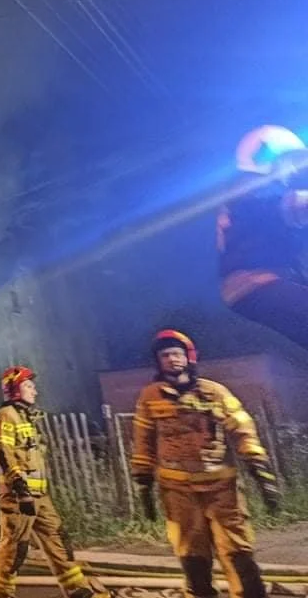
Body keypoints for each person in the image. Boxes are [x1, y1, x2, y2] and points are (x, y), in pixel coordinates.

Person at [131, 330, 280, 598]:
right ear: (158, 361)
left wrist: (258, 468)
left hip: (220, 486)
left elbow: (242, 428)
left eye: (176, 354)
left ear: (188, 357)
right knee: (190, 548)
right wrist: (143, 481)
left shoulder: (214, 392)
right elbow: (144, 440)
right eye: (165, 355)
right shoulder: (150, 397)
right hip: (177, 489)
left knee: (236, 546)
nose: (172, 359)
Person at [0, 366, 107, 598]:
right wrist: (20, 488)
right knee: (15, 548)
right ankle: (1, 595)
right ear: (15, 389)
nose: (35, 391)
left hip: (39, 496)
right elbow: (4, 452)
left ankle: (76, 589)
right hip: (18, 497)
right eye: (28, 386)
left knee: (58, 539)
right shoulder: (7, 415)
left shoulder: (26, 416)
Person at [218, 124, 308, 351]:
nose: (293, 169)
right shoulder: (255, 192)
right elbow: (290, 204)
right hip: (257, 282)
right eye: (288, 161)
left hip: (260, 285)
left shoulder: (244, 193)